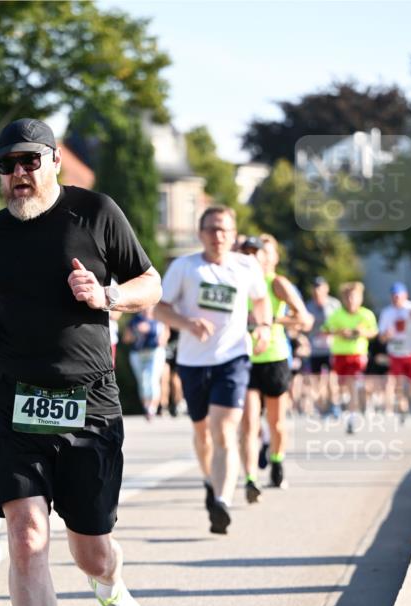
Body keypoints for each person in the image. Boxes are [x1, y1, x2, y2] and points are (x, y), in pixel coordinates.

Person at [0, 117, 161, 606]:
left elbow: (148, 282)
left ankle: (112, 589)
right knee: (25, 536)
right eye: (7, 165)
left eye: (28, 162)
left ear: (52, 162)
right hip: (13, 396)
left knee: (93, 551)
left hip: (88, 400)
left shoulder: (96, 212)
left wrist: (107, 296)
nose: (17, 175)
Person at [154, 208, 270, 532]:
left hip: (233, 359)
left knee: (224, 430)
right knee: (203, 433)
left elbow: (261, 300)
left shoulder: (247, 266)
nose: (218, 235)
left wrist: (263, 327)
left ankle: (222, 501)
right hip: (193, 363)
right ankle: (209, 479)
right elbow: (159, 308)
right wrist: (187, 323)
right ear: (200, 233)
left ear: (233, 235)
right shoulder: (185, 267)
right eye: (211, 229)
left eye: (224, 230)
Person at [238, 234, 312, 497]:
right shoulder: (237, 282)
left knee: (276, 422)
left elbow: (305, 319)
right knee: (248, 423)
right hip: (244, 359)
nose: (254, 257)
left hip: (274, 358)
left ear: (272, 258)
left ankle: (277, 460)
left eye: (261, 252)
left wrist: (271, 320)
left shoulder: (277, 283)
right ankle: (250, 478)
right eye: (247, 252)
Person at [323, 282, 378, 434]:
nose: (350, 300)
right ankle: (358, 402)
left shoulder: (366, 314)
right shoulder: (337, 314)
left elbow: (374, 332)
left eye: (353, 297)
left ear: (360, 299)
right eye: (347, 297)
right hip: (340, 354)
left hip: (357, 355)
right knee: (343, 387)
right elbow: (325, 330)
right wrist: (340, 332)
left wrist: (361, 333)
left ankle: (352, 418)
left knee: (352, 384)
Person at [378, 282, 411, 418]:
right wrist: (387, 334)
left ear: (405, 295)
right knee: (398, 382)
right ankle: (403, 409)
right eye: (393, 296)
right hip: (395, 352)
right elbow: (381, 338)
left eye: (398, 296)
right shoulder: (387, 312)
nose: (396, 299)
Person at [122, 305, 168, 420]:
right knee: (142, 381)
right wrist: (136, 331)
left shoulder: (160, 318)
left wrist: (161, 339)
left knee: (152, 378)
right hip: (138, 353)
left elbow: (165, 335)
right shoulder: (135, 320)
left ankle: (152, 408)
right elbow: (126, 339)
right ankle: (146, 406)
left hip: (155, 352)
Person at [303, 277, 339, 415]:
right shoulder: (309, 306)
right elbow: (305, 326)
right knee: (317, 381)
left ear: (326, 288)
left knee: (331, 379)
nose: (317, 290)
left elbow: (340, 323)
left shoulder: (334, 305)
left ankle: (334, 405)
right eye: (315, 287)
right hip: (315, 349)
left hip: (331, 348)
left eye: (320, 287)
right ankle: (323, 405)